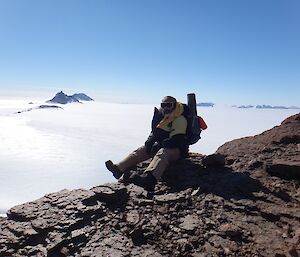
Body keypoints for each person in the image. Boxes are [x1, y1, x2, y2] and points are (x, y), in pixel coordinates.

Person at [105, 96, 189, 191]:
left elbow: (176, 140)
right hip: (163, 145)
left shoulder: (179, 119)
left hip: (177, 150)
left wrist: (159, 144)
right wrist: (150, 141)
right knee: (142, 150)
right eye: (163, 105)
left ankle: (150, 179)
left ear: (174, 105)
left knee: (163, 153)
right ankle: (119, 168)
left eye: (169, 105)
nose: (165, 108)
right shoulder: (164, 117)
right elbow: (156, 132)